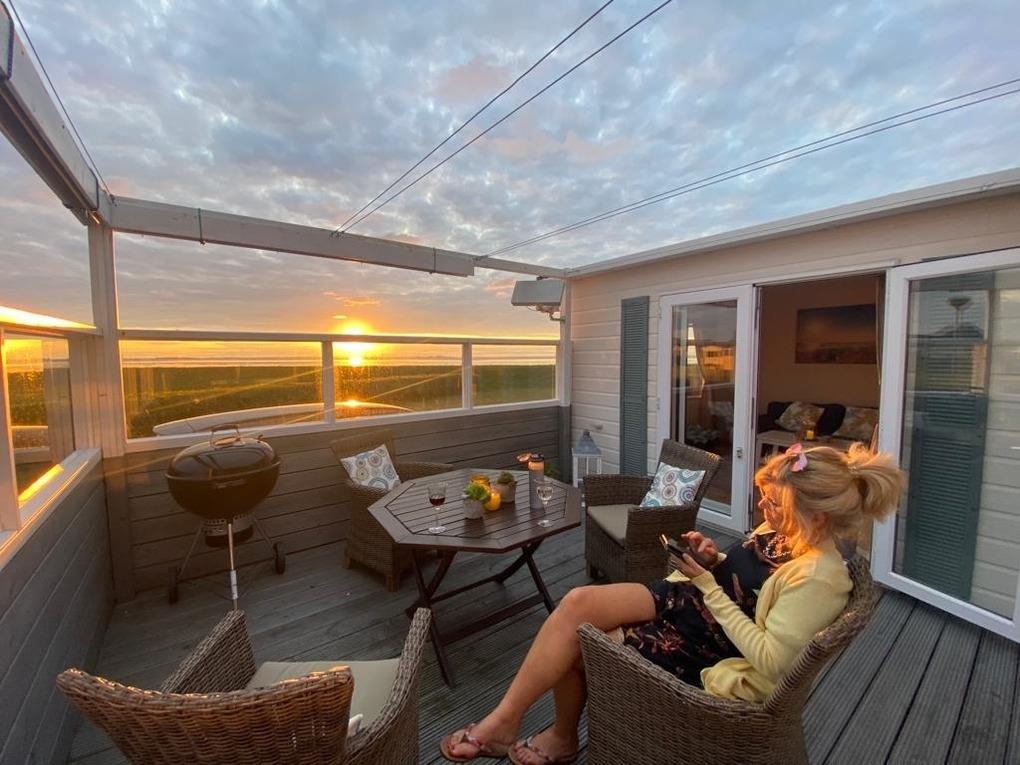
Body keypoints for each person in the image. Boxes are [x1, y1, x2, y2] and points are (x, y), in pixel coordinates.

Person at [439, 443, 904, 764]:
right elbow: (748, 581)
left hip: (708, 644)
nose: (764, 509)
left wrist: (709, 586)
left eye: (774, 503)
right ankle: (509, 721)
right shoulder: (783, 532)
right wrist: (712, 559)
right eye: (764, 499)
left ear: (816, 517)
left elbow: (771, 660)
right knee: (578, 602)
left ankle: (553, 737)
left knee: (578, 640)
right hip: (686, 600)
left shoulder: (820, 577)